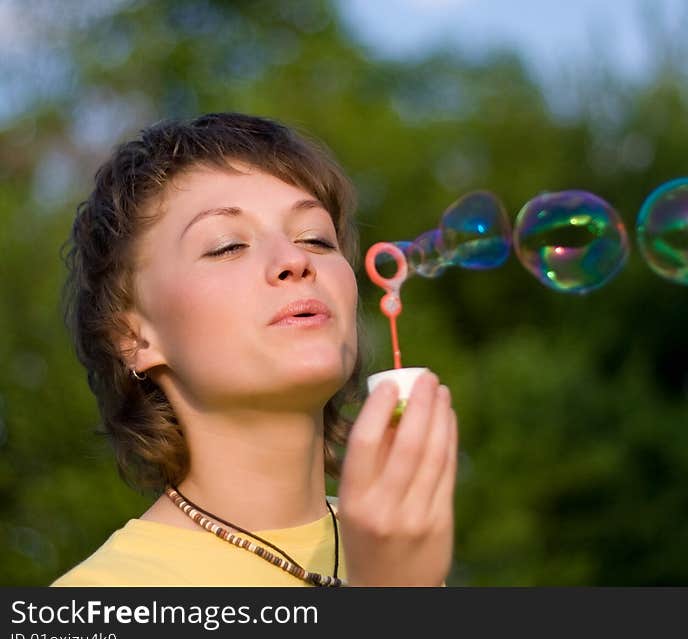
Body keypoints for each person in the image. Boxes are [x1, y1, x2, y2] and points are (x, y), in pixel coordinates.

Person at [51, 112, 457, 586]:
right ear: (135, 338)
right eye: (226, 246)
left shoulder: (398, 539)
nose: (295, 260)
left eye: (315, 238)